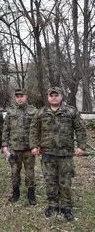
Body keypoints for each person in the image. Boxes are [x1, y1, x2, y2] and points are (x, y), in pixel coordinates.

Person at [30, 87, 86, 221]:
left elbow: (80, 129)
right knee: (50, 181)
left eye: (56, 95)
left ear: (61, 97)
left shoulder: (70, 111)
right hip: (47, 153)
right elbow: (34, 130)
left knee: (65, 181)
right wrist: (33, 146)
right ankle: (52, 205)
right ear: (48, 97)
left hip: (65, 153)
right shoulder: (41, 112)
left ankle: (66, 207)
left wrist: (81, 146)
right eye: (51, 95)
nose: (54, 97)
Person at [2, 88, 37, 205]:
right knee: (15, 172)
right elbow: (6, 129)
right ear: (15, 98)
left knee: (30, 173)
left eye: (22, 96)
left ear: (26, 97)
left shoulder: (33, 111)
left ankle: (31, 194)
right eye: (17, 96)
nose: (20, 98)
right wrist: (5, 146)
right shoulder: (10, 112)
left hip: (29, 149)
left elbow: (38, 129)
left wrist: (37, 145)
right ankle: (15, 193)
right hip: (14, 149)